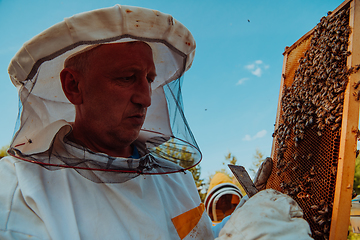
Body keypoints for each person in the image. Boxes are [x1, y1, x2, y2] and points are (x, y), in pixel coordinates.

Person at [0, 5, 313, 240]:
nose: (146, 98)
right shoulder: (17, 189)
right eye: (127, 78)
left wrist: (248, 225)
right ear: (74, 87)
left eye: (149, 79)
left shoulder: (174, 179)